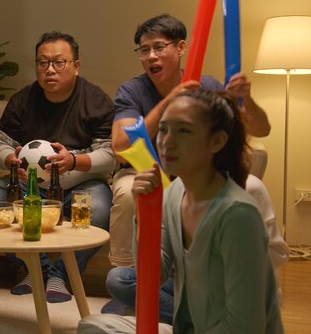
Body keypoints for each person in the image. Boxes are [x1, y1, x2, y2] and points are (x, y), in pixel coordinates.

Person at [103, 14, 288, 322]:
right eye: (143, 49)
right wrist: (170, 101)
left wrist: (246, 100)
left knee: (253, 187)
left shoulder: (208, 86)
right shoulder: (132, 90)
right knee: (120, 276)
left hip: (201, 176)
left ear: (181, 48)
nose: (150, 56)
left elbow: (261, 128)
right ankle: (188, 303)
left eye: (158, 47)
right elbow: (122, 145)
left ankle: (202, 301)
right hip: (148, 171)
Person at [78, 88, 284, 333]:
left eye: (183, 130)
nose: (167, 142)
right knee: (91, 327)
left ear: (217, 141)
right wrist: (144, 213)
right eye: (163, 129)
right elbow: (152, 275)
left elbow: (246, 327)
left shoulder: (238, 215)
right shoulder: (174, 193)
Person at [0, 31, 116, 303]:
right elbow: (0, 144)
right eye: (42, 62)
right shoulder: (23, 100)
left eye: (59, 62)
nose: (49, 69)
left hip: (80, 183)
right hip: (26, 185)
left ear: (76, 66)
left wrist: (74, 161)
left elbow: (111, 154)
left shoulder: (95, 100)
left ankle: (60, 275)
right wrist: (10, 160)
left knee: (98, 208)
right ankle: (37, 269)